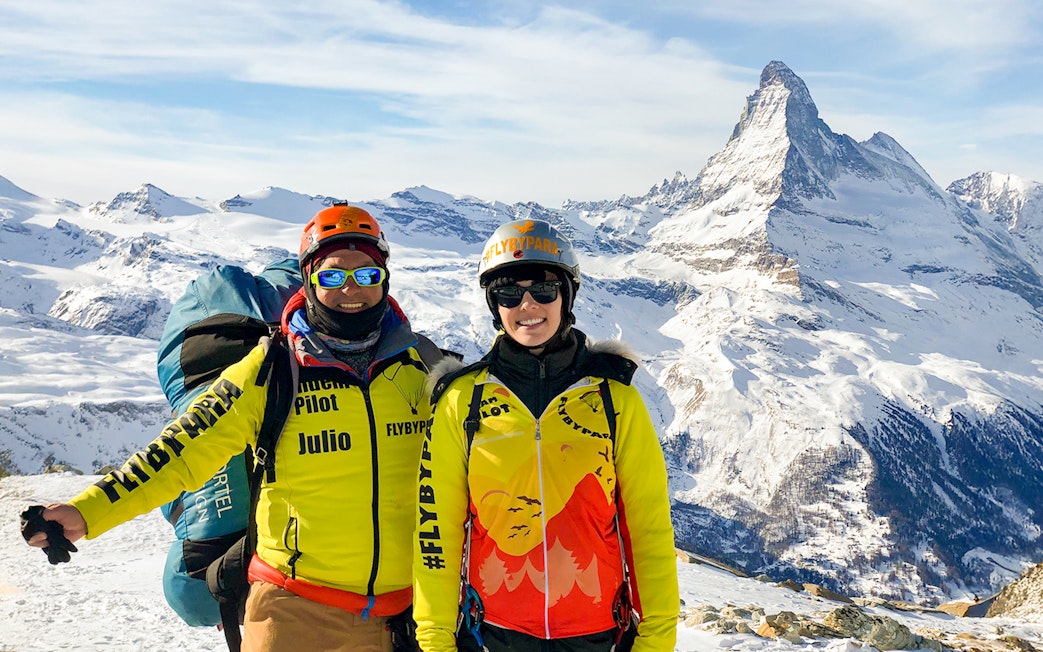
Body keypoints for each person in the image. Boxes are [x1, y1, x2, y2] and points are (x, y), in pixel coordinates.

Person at [25, 204, 445, 652]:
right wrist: (87, 511)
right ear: (307, 280)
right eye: (332, 276)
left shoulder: (424, 367)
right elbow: (177, 453)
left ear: (384, 279)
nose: (351, 290)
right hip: (293, 610)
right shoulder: (271, 371)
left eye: (367, 276)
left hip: (408, 616)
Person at [412, 219, 679, 652]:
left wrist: (655, 638)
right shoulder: (463, 400)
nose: (527, 304)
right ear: (493, 304)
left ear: (566, 296)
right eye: (508, 293)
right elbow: (436, 530)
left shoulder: (613, 400)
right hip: (493, 634)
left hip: (597, 636)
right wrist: (435, 638)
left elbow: (647, 528)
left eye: (544, 289)